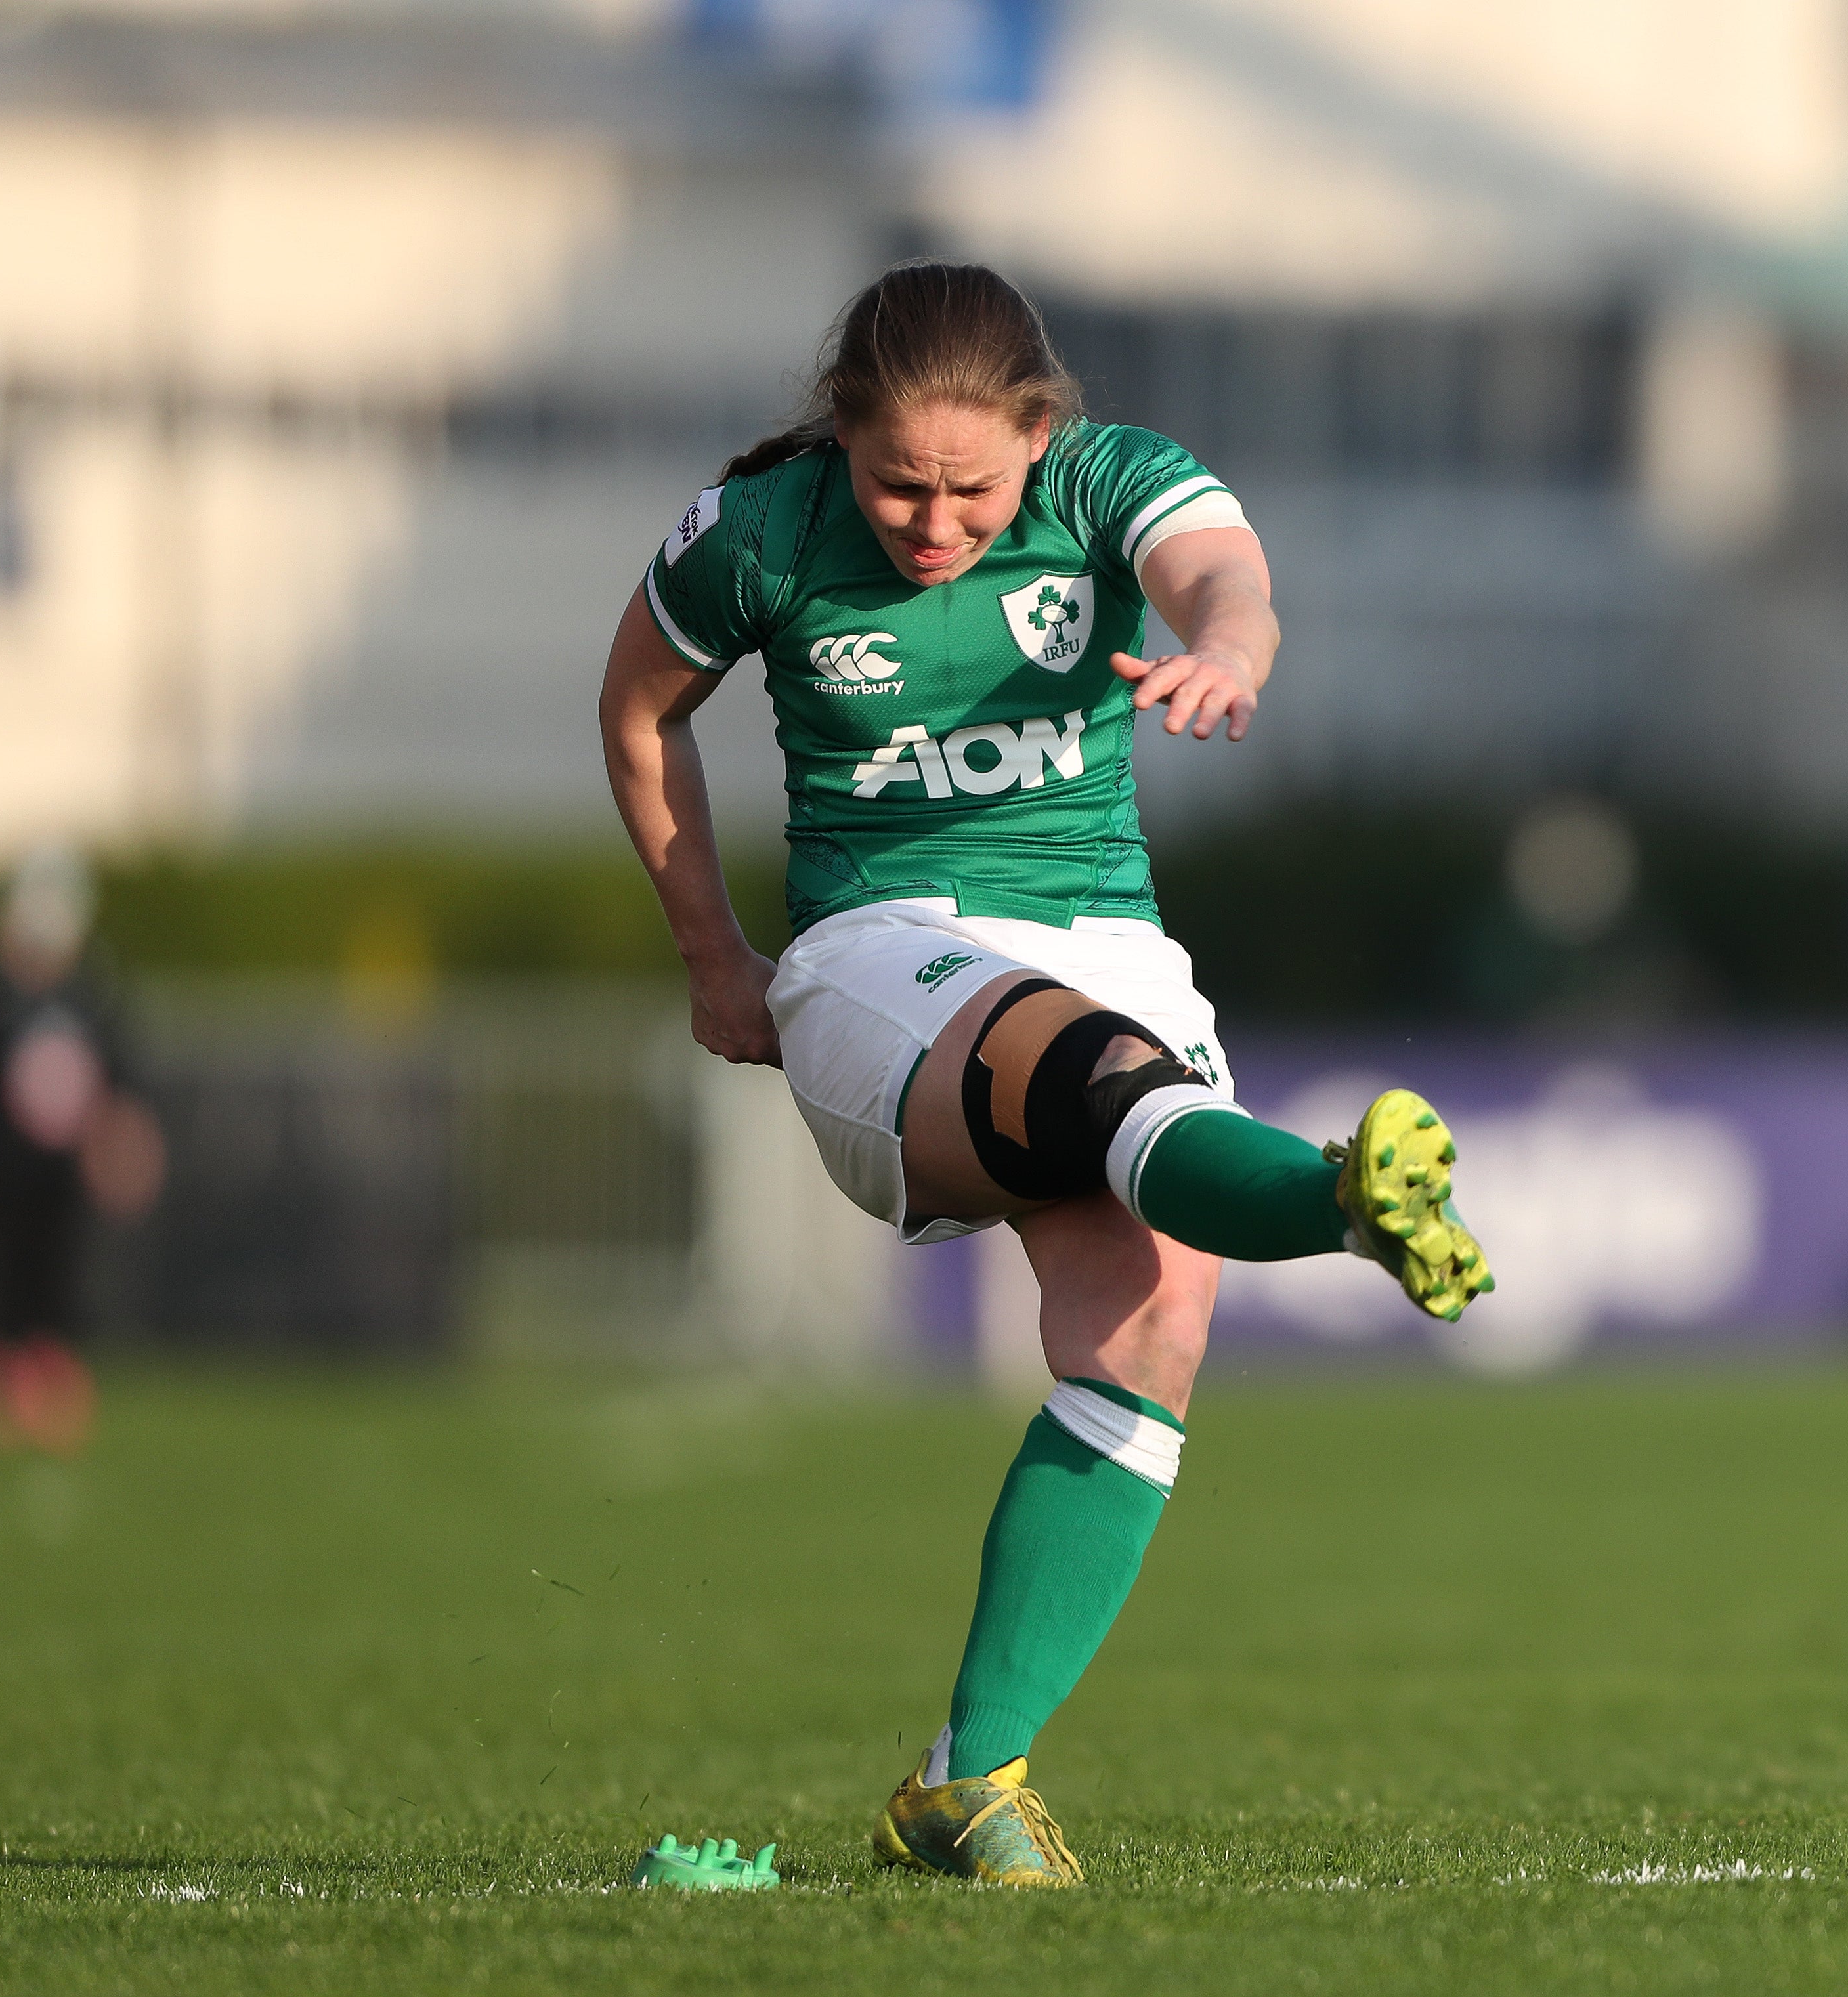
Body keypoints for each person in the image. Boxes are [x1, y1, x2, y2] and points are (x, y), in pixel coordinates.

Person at [599, 261, 1495, 1889]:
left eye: (968, 490)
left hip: (1103, 938)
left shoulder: (1106, 476)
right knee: (1095, 1086)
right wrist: (712, 953)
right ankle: (1335, 1198)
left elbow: (1227, 580)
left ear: (1036, 435)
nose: (930, 525)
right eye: (894, 485)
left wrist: (1227, 653)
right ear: (844, 444)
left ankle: (964, 1780)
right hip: (880, 950)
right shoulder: (755, 534)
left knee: (1146, 1325)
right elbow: (638, 707)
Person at [0, 846, 167, 1456]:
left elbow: (118, 1085)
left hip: (60, 1179)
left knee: (57, 1283)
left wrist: (124, 1145)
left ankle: (52, 1393)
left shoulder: (91, 995)